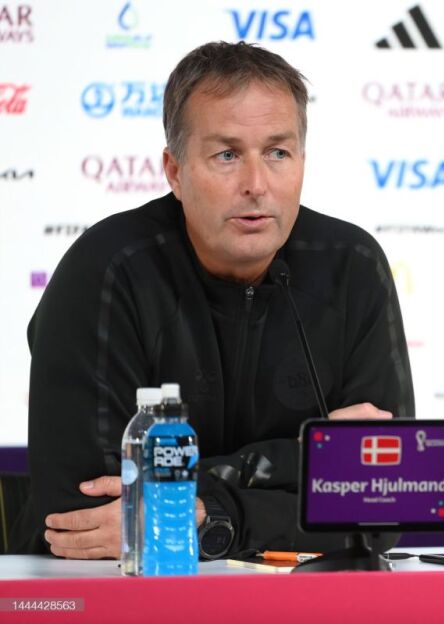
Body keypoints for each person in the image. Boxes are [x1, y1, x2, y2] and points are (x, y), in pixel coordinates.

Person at [10, 41, 414, 559]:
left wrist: (207, 514)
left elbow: (384, 502)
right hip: (103, 588)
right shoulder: (108, 269)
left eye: (278, 153)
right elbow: (92, 515)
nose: (256, 185)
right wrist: (306, 458)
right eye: (227, 155)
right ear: (175, 171)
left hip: (293, 592)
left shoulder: (352, 265)